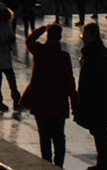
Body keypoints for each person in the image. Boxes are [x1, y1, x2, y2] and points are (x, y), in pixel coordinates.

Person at [21, 22, 77, 165]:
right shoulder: (64, 56)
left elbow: (29, 40)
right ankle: (59, 165)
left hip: (40, 100)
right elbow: (69, 80)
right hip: (58, 101)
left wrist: (42, 28)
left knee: (44, 137)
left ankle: (46, 164)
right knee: (59, 137)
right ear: (60, 37)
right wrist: (74, 101)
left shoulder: (39, 51)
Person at [75, 20, 107, 169]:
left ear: (91, 35)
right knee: (98, 130)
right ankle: (103, 162)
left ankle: (103, 163)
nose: (81, 37)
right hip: (99, 96)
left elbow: (89, 78)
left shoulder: (93, 52)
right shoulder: (98, 51)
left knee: (98, 130)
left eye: (84, 34)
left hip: (95, 98)